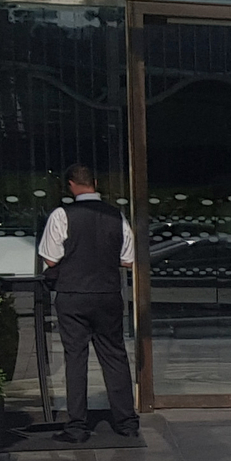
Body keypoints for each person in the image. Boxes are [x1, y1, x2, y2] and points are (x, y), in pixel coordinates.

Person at [37, 165, 138, 443]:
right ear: (94, 182)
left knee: (76, 358)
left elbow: (50, 258)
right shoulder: (116, 216)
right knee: (114, 355)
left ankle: (77, 427)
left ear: (70, 185)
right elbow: (129, 259)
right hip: (107, 294)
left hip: (73, 294)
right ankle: (127, 422)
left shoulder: (62, 215)